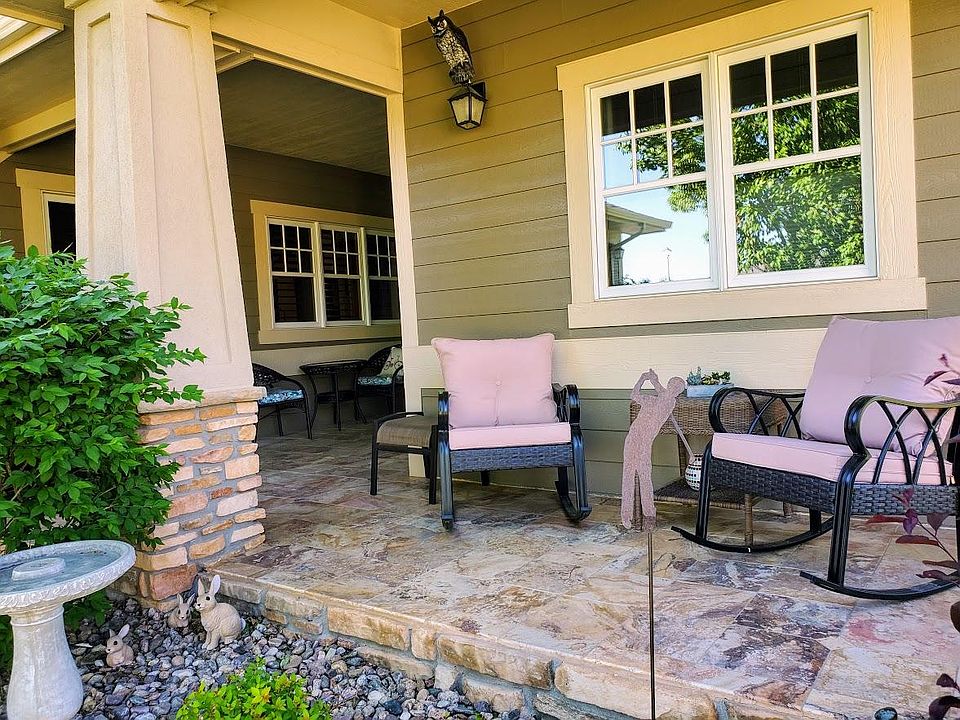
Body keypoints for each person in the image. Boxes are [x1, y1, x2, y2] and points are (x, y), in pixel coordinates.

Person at [621, 369, 685, 530]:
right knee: (628, 474)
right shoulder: (650, 400)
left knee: (644, 475)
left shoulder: (670, 402)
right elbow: (634, 395)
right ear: (669, 384)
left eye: (677, 388)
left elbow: (664, 395)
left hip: (645, 441)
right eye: (672, 384)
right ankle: (626, 515)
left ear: (678, 393)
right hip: (633, 437)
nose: (673, 388)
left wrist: (654, 380)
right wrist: (642, 379)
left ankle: (649, 513)